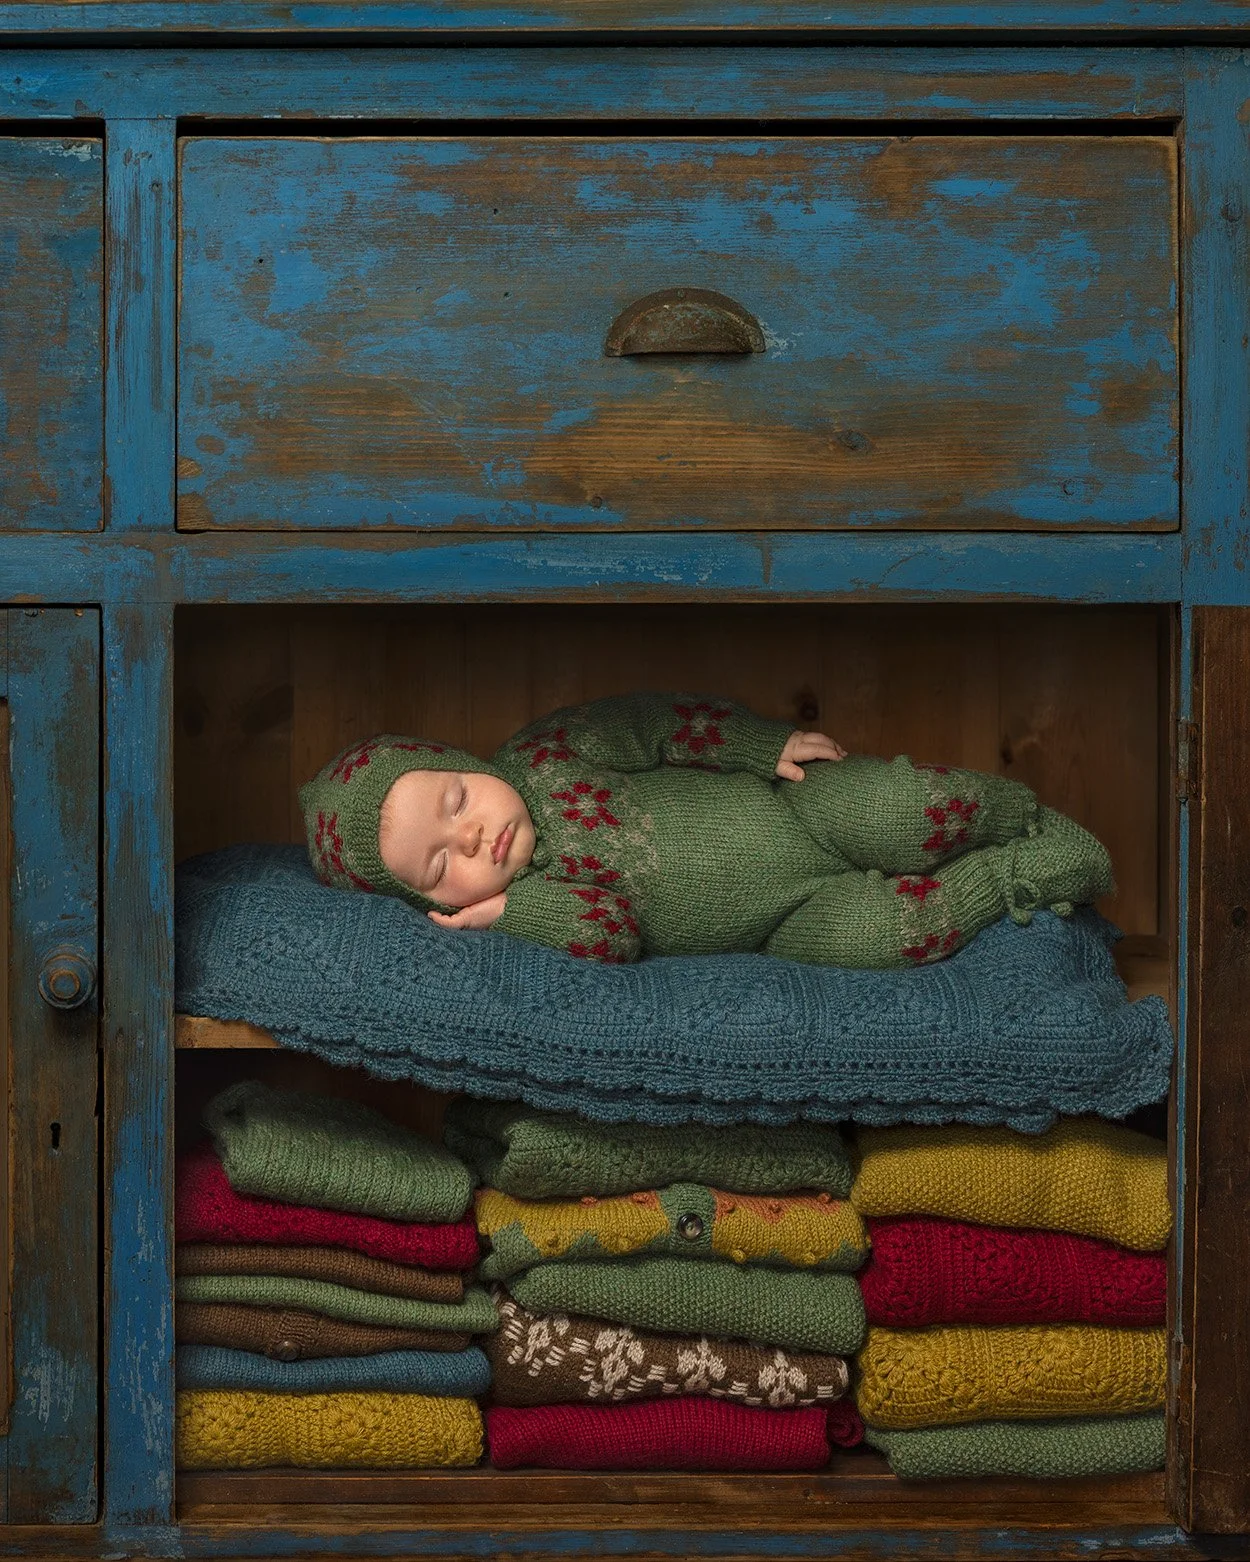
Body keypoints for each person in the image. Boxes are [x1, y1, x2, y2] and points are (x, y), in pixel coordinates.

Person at [299, 692, 1111, 968]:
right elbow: (611, 934)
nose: (473, 841)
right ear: (435, 906)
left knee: (895, 808)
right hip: (782, 928)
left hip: (791, 808)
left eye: (456, 804)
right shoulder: (540, 903)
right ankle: (1023, 875)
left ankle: (1021, 816)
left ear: (460, 761)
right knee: (886, 940)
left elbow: (658, 724)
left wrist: (763, 744)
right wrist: (510, 916)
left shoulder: (548, 754)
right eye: (441, 869)